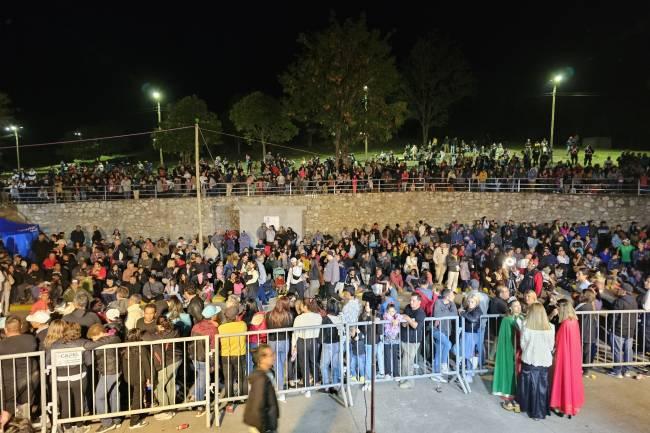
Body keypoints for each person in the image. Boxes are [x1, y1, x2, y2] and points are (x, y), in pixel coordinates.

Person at [512, 302, 555, 420]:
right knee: (542, 387)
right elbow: (551, 346)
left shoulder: (526, 326)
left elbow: (523, 345)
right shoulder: (551, 327)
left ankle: (527, 406)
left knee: (528, 386)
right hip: (544, 360)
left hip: (529, 359)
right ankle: (539, 412)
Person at [549, 299, 585, 417]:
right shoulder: (574, 321)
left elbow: (558, 341)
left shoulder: (565, 324)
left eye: (558, 308)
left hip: (563, 357)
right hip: (573, 357)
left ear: (562, 308)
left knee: (562, 379)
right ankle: (571, 405)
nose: (557, 310)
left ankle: (561, 405)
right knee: (571, 380)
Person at [84, 323, 122, 433]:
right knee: (114, 395)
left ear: (100, 333)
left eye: (94, 337)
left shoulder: (110, 338)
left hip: (109, 371)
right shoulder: (113, 337)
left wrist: (98, 340)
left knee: (99, 397)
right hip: (113, 369)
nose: (93, 340)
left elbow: (88, 346)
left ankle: (106, 423)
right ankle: (116, 420)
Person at [0, 316, 39, 418]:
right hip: (30, 380)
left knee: (7, 408)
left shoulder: (1, 345)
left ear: (5, 329)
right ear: (21, 327)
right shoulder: (31, 340)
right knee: (26, 408)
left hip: (7, 384)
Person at [243, 344, 280, 433]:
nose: (273, 357)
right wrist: (263, 428)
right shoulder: (261, 379)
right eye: (270, 355)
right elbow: (257, 405)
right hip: (261, 426)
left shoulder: (267, 374)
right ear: (262, 359)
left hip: (267, 423)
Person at [493, 299, 523, 407]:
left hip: (520, 349)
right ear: (510, 308)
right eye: (515, 306)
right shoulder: (507, 320)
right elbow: (506, 338)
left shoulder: (522, 318)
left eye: (519, 305)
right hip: (511, 349)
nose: (518, 307)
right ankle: (508, 390)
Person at [291, 299, 322, 398]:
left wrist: (293, 345)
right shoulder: (318, 316)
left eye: (302, 305)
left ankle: (307, 387)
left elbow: (295, 333)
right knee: (314, 361)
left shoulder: (299, 318)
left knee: (304, 364)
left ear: (305, 306)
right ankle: (317, 382)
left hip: (302, 341)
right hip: (314, 340)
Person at [121, 328, 151, 429]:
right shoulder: (141, 348)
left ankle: (139, 412)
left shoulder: (125, 347)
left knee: (136, 397)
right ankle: (134, 421)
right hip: (139, 377)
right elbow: (146, 364)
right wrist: (149, 377)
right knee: (137, 398)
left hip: (129, 377)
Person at [265, 297, 293, 401]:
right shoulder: (289, 315)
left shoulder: (268, 315)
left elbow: (267, 327)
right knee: (280, 365)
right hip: (285, 341)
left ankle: (280, 389)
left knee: (278, 366)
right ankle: (281, 388)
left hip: (273, 342)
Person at [399, 293, 425, 389]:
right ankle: (404, 377)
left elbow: (416, 326)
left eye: (413, 300)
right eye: (410, 300)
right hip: (405, 337)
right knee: (404, 360)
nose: (411, 302)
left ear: (419, 302)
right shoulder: (407, 308)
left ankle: (410, 381)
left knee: (408, 362)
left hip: (413, 340)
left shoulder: (420, 313)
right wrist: (404, 322)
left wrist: (408, 319)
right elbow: (403, 321)